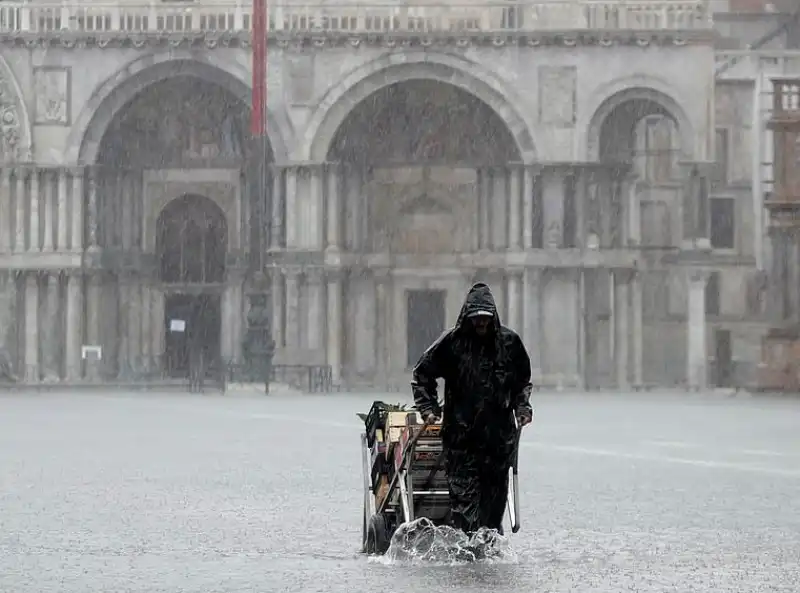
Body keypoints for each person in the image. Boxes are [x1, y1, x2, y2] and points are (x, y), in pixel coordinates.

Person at [411, 282, 533, 535]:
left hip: (498, 442)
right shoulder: (452, 343)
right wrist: (429, 407)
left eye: (485, 319)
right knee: (466, 507)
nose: (481, 324)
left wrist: (522, 407)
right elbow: (422, 374)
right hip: (461, 440)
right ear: (467, 316)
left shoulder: (509, 344)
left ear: (493, 317)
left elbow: (521, 383)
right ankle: (468, 552)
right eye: (476, 318)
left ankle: (486, 549)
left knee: (493, 508)